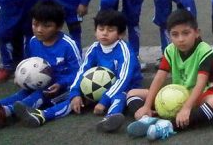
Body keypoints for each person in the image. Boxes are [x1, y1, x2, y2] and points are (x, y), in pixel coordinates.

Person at [14, 10, 143, 133]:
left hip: (125, 87)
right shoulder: (94, 48)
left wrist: (104, 101)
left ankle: (110, 118)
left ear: (120, 34)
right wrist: (75, 93)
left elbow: (124, 79)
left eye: (110, 30)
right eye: (101, 29)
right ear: (95, 31)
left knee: (119, 97)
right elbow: (82, 71)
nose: (104, 33)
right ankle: (42, 115)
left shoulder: (125, 50)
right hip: (99, 86)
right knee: (75, 98)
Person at [0, 0, 82, 128]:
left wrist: (61, 83)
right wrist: (21, 77)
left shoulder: (68, 45)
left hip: (63, 88)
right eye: (35, 24)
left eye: (46, 26)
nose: (39, 30)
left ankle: (4, 112)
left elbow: (79, 72)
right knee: (22, 93)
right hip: (40, 82)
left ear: (58, 27)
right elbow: (29, 64)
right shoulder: (33, 42)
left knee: (39, 95)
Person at [126, 9, 213, 140]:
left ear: (197, 33)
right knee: (132, 93)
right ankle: (146, 119)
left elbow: (201, 84)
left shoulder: (204, 50)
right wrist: (146, 106)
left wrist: (186, 108)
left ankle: (169, 125)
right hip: (177, 94)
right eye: (175, 34)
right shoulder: (170, 50)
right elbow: (159, 78)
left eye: (186, 33)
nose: (181, 39)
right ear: (169, 36)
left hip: (201, 95)